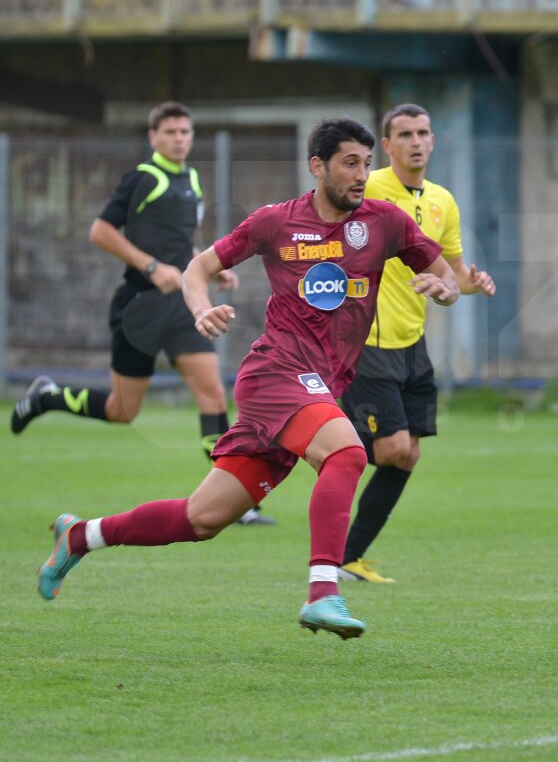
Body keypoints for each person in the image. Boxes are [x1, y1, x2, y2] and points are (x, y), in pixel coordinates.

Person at [36, 117, 459, 638]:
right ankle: (324, 592)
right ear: (317, 166)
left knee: (202, 519)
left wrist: (443, 289)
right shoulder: (275, 221)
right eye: (350, 163)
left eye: (366, 164)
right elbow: (199, 267)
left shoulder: (384, 222)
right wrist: (199, 309)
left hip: (318, 386)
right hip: (276, 372)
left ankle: (81, 536)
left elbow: (444, 272)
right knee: (348, 453)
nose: (360, 174)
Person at [8, 104, 274, 521]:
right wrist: (150, 267)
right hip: (140, 308)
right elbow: (101, 231)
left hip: (181, 306)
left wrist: (206, 271)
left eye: (185, 131)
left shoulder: (191, 179)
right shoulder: (143, 178)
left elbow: (179, 239)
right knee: (122, 410)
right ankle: (48, 396)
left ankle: (238, 504)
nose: (179, 138)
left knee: (212, 394)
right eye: (170, 131)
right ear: (154, 137)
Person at [337, 103, 495, 584]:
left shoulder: (443, 201)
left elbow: (449, 272)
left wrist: (473, 282)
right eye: (404, 134)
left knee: (408, 454)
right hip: (370, 341)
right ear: (386, 146)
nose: (415, 141)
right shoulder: (368, 189)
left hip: (413, 343)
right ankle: (326, 449)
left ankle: (348, 555)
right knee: (391, 447)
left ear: (434, 140)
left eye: (423, 132)